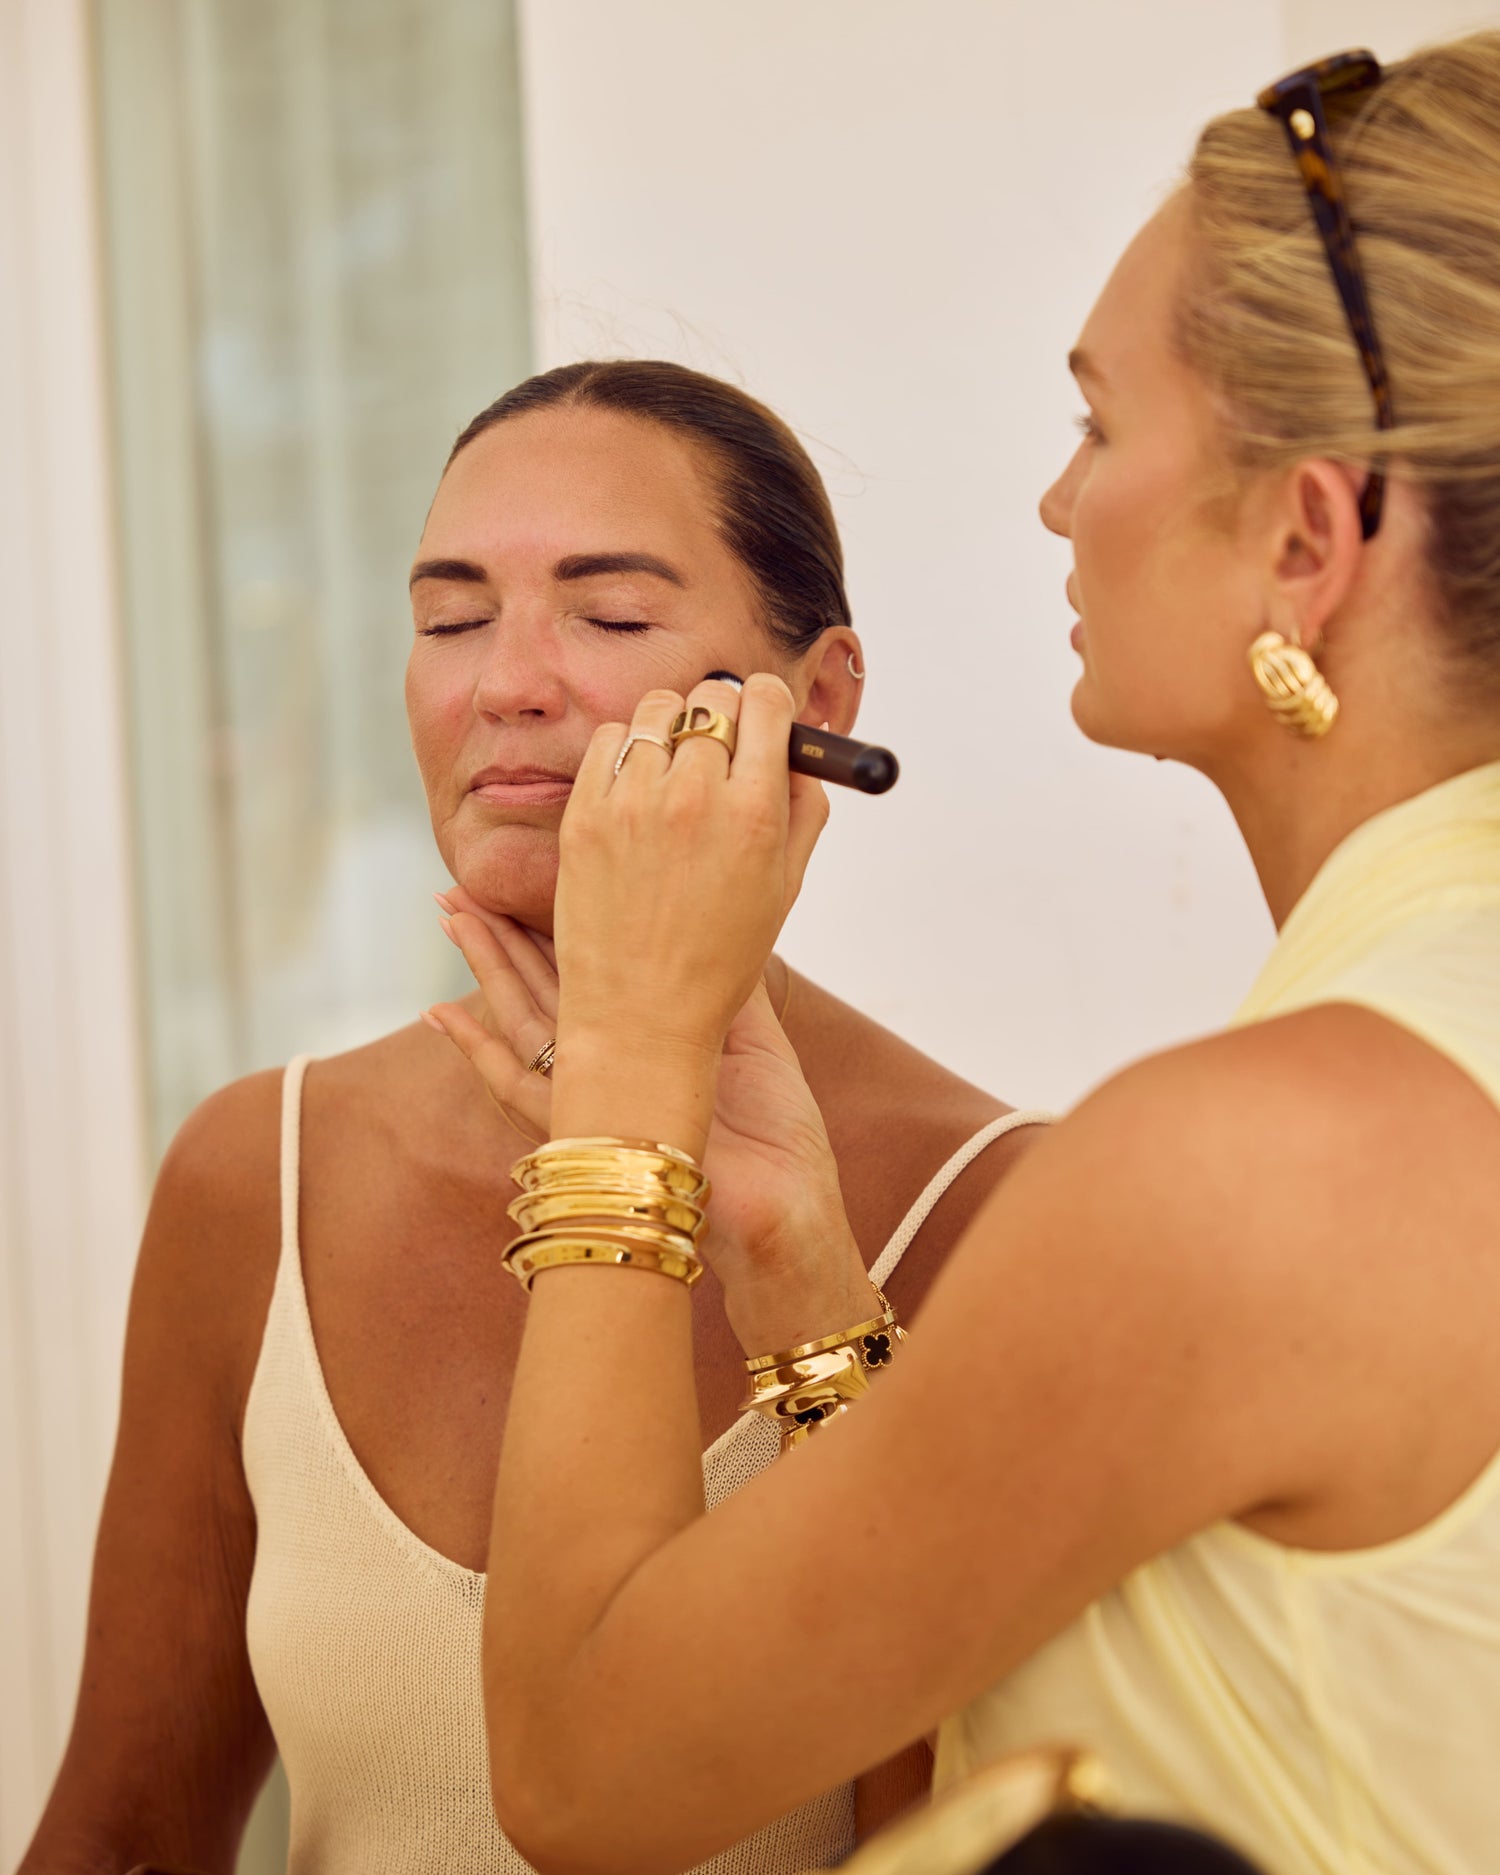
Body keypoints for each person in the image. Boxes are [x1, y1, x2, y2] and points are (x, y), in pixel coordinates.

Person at [433, 34, 1500, 1875]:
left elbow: (585, 1776)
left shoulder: (1252, 1164)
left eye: (1098, 424)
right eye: (454, 614)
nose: (1057, 505)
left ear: (1310, 542)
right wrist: (793, 1264)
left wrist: (622, 1072)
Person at [19, 366, 1044, 1875]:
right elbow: (124, 1835)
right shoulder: (260, 1172)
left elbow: (971, 1830)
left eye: (610, 617)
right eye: (449, 619)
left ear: (816, 706)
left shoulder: (998, 1207)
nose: (506, 683)